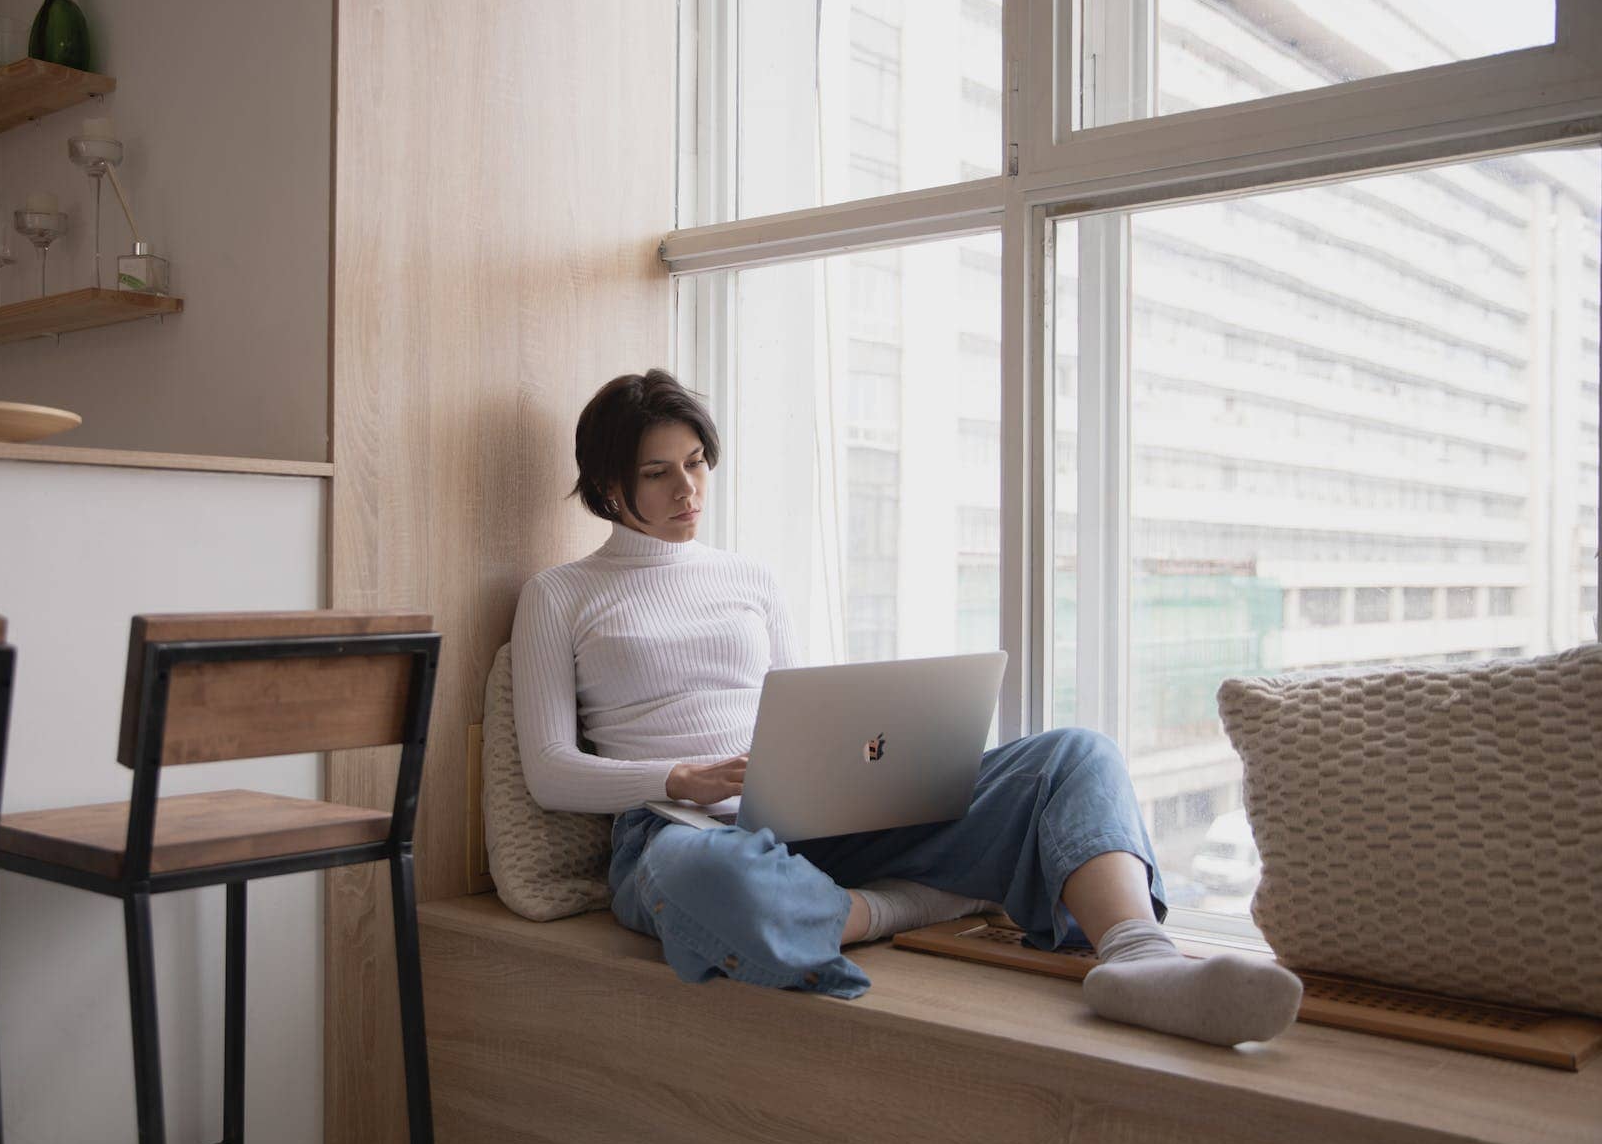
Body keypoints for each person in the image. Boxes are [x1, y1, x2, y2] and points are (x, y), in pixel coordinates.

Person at [512, 369, 1303, 1046]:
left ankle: (1139, 958)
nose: (688, 489)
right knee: (716, 883)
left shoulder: (748, 578)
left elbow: (802, 710)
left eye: (697, 462)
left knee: (1075, 754)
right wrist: (681, 778)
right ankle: (904, 903)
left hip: (797, 817)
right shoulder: (561, 595)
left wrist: (859, 756)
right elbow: (549, 772)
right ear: (610, 484)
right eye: (658, 473)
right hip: (675, 834)